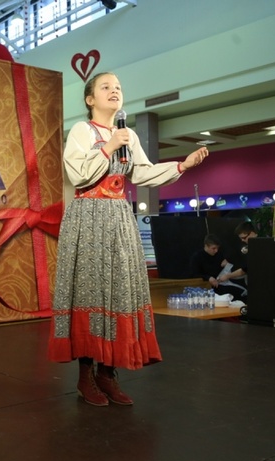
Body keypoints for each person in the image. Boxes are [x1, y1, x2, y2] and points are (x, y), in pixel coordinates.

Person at [49, 72, 209, 407]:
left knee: (118, 290)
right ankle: (85, 376)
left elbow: (142, 172)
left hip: (119, 217)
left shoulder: (129, 135)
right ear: (90, 99)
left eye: (118, 87)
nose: (114, 91)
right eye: (105, 87)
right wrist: (109, 145)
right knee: (90, 289)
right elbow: (78, 174)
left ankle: (107, 374)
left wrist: (182, 166)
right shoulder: (82, 131)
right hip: (88, 216)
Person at [189, 234, 246, 300]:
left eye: (217, 248)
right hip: (205, 286)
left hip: (221, 283)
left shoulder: (219, 254)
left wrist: (226, 264)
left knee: (240, 293)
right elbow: (194, 274)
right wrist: (208, 278)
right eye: (213, 248)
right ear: (206, 246)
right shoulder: (197, 257)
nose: (216, 251)